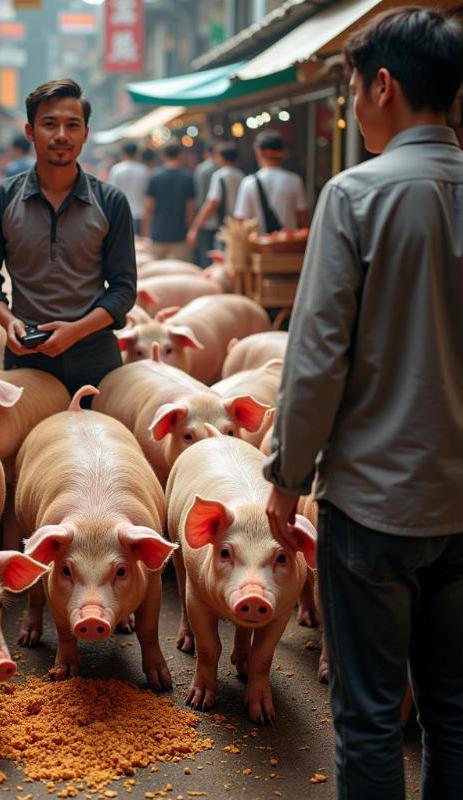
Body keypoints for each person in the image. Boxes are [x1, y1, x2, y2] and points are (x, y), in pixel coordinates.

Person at [263, 7, 463, 799]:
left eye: (350, 90)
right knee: (454, 708)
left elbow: (315, 361)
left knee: (371, 715)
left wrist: (286, 475)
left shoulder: (355, 196)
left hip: (375, 505)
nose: (351, 107)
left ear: (383, 85)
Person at [0, 78, 136, 399]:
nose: (61, 135)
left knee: (101, 448)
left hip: (96, 357)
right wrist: (8, 322)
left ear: (85, 133)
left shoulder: (111, 201)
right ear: (30, 131)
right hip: (25, 356)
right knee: (25, 448)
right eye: (49, 124)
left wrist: (77, 331)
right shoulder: (0, 198)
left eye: (72, 125)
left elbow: (123, 288)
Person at [234, 130, 309, 233]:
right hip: (289, 245)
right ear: (283, 152)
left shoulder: (248, 183)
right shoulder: (295, 180)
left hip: (258, 246)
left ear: (259, 152)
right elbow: (304, 221)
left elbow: (240, 222)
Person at [186, 141, 245, 259]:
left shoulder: (219, 175)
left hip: (218, 226)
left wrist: (194, 228)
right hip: (236, 228)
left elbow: (212, 203)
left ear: (221, 157)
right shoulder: (241, 175)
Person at [142, 142, 195, 260]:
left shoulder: (155, 177)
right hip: (180, 234)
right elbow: (190, 209)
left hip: (157, 234)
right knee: (180, 273)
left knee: (157, 273)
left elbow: (148, 208)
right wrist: (190, 230)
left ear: (163, 156)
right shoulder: (188, 178)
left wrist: (145, 234)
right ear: (180, 155)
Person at [107, 141, 149, 234]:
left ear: (123, 153)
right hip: (139, 212)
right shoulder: (143, 170)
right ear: (137, 153)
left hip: (120, 212)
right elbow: (147, 193)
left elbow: (111, 193)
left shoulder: (116, 170)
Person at [192, 141, 218, 264]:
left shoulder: (202, 169)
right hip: (221, 220)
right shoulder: (222, 168)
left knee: (206, 256)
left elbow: (200, 197)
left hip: (205, 220)